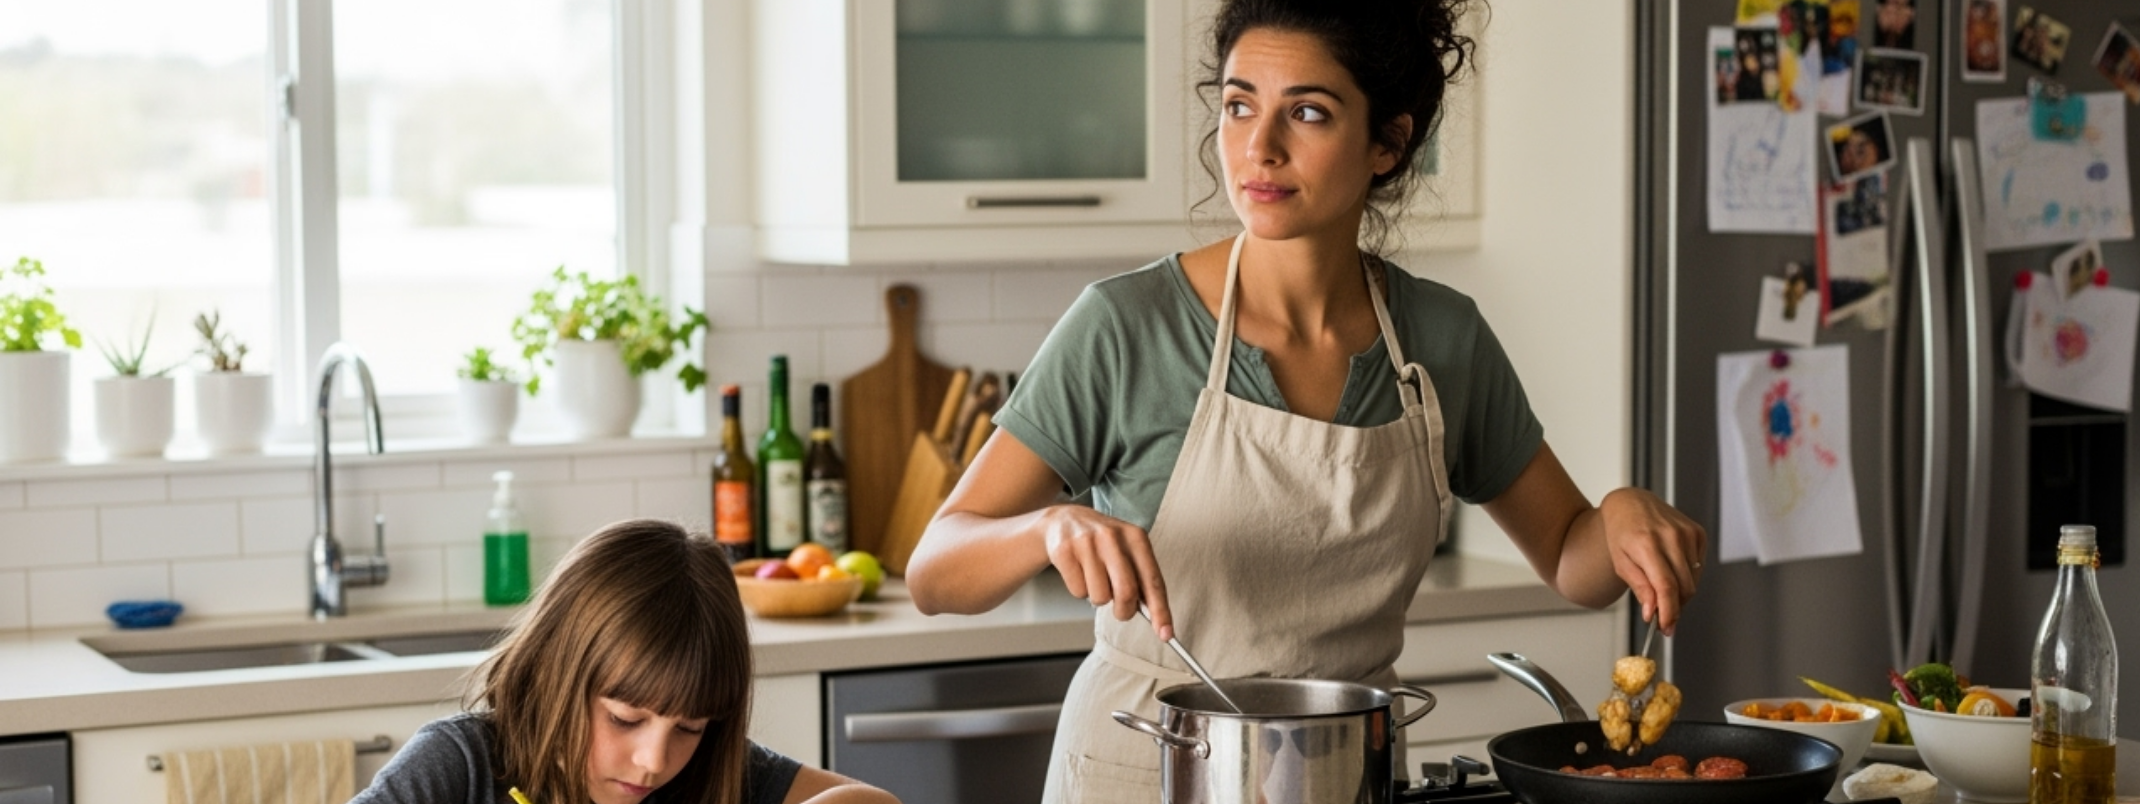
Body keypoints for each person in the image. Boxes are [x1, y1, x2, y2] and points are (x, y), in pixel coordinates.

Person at [903, 1, 1707, 801]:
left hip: (1345, 770)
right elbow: (935, 573)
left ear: (1388, 144)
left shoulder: (1443, 339)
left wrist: (1621, 517)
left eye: (1309, 113)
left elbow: (1572, 556)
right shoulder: (1127, 327)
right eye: (1238, 105)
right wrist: (1048, 526)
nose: (1259, 147)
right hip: (1147, 764)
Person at [352, 519, 899, 804]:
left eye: (689, 726)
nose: (653, 761)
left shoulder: (708, 775)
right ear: (557, 670)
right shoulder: (460, 767)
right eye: (624, 719)